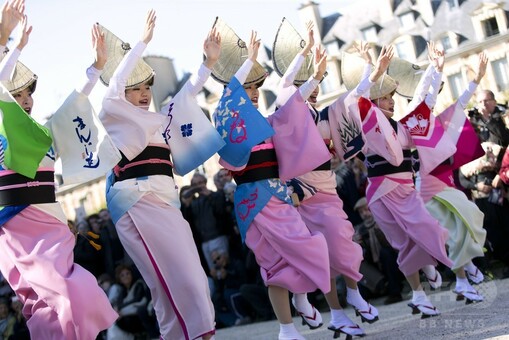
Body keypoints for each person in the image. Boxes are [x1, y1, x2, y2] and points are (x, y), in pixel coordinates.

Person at [98, 10, 221, 339]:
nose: (143, 94)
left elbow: (187, 94)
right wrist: (142, 44)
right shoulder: (118, 119)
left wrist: (207, 63)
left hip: (167, 205)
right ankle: (196, 334)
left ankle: (189, 333)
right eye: (134, 88)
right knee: (170, 281)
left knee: (187, 277)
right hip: (139, 204)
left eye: (146, 87)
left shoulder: (160, 118)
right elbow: (112, 91)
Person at [0, 7, 118, 339]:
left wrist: (96, 67)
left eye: (28, 94)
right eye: (16, 94)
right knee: (43, 300)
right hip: (13, 225)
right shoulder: (1, 126)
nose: (24, 100)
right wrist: (11, 43)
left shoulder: (46, 132)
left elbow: (74, 103)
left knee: (75, 291)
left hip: (51, 221)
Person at [212, 20, 331, 339]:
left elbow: (292, 105)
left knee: (300, 250)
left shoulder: (267, 122)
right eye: (246, 89)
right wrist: (249, 60)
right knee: (274, 265)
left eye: (255, 89)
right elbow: (229, 95)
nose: (251, 94)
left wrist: (315, 75)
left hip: (276, 193)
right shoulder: (228, 123)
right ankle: (287, 328)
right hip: (252, 198)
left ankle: (302, 300)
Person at [273, 27, 387, 337]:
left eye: (315, 87)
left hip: (326, 185)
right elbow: (287, 89)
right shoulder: (286, 112)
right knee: (320, 254)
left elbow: (353, 98)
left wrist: (372, 70)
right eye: (307, 86)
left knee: (343, 243)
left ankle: (352, 294)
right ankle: (335, 312)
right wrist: (310, 59)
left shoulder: (323, 116)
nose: (313, 90)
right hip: (301, 188)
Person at [341, 42, 455, 318]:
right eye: (387, 96)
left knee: (424, 231)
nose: (392, 100)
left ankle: (425, 278)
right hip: (381, 192)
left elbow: (423, 101)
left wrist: (435, 69)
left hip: (404, 190)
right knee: (405, 243)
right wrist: (372, 67)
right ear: (376, 101)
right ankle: (419, 293)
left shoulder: (403, 127)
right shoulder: (367, 127)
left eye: (393, 96)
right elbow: (358, 100)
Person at [413, 52, 489, 302]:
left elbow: (462, 103)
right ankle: (463, 279)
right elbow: (427, 95)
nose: (431, 101)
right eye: (426, 100)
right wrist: (436, 69)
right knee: (455, 233)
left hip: (445, 184)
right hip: (430, 189)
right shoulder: (415, 124)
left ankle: (466, 272)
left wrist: (476, 80)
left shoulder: (437, 121)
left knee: (466, 225)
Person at [460, 87, 509, 275]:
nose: (483, 105)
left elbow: (505, 144)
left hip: (501, 176)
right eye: (479, 102)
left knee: (506, 221)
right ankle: (503, 260)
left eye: (486, 101)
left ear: (494, 101)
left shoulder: (500, 120)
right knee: (490, 227)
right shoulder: (471, 122)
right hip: (480, 180)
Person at [354, 197, 404, 305]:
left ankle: (395, 293)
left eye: (366, 210)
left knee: (386, 254)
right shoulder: (360, 229)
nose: (365, 214)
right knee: (356, 262)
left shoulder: (383, 221)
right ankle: (362, 302)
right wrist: (356, 244)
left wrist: (378, 232)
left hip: (392, 262)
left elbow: (391, 245)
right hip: (374, 264)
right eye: (361, 212)